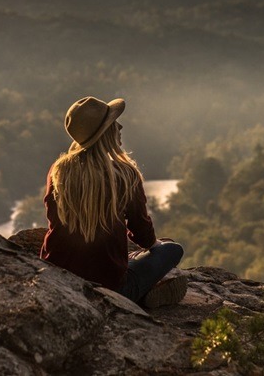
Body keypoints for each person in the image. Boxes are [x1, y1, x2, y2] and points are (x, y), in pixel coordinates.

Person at [40, 96, 187, 308]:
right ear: (105, 133)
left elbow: (53, 219)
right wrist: (153, 245)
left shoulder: (59, 172)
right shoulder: (124, 174)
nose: (120, 126)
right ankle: (144, 296)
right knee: (172, 249)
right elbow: (140, 228)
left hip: (58, 277)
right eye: (113, 123)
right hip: (109, 289)